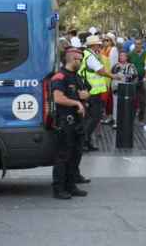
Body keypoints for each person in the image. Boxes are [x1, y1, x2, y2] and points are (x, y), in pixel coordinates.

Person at [50, 46, 90, 200]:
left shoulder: (76, 76)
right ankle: (58, 188)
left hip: (78, 122)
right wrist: (76, 103)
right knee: (63, 155)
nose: (81, 62)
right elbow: (58, 98)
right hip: (65, 121)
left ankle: (71, 185)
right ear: (73, 58)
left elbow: (83, 93)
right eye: (80, 59)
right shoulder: (60, 76)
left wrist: (84, 96)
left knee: (75, 154)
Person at [79, 35, 114, 152]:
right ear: (93, 45)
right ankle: (84, 141)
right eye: (98, 44)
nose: (100, 46)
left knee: (90, 118)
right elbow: (100, 71)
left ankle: (86, 141)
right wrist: (114, 76)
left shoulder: (89, 55)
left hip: (92, 92)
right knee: (94, 117)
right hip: (92, 92)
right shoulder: (90, 57)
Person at [110, 49, 139, 132]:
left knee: (127, 105)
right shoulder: (115, 66)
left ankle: (126, 121)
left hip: (127, 89)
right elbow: (111, 75)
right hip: (116, 88)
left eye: (123, 55)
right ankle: (116, 121)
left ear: (127, 57)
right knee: (116, 104)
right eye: (120, 55)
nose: (121, 57)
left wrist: (125, 78)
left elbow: (134, 76)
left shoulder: (131, 66)